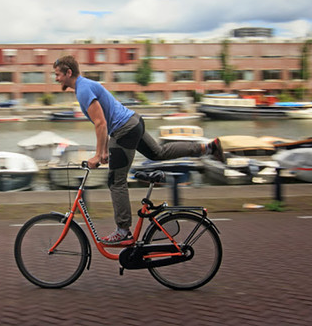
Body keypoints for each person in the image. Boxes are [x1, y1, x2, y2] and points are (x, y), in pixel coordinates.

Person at [53, 55, 222, 245]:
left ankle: (123, 230)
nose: (56, 78)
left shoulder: (83, 89)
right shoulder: (85, 85)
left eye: (58, 74)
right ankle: (207, 148)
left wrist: (98, 155)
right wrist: (105, 151)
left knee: (115, 181)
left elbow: (101, 123)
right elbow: (104, 120)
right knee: (158, 153)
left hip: (124, 130)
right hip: (133, 122)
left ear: (69, 72)